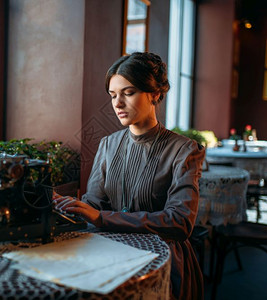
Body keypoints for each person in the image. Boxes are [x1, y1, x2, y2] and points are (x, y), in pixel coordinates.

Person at [53, 52, 205, 300]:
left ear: (155, 94)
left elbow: (180, 223)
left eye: (128, 92)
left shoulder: (185, 150)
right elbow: (94, 204)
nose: (117, 103)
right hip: (106, 252)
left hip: (160, 260)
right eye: (113, 95)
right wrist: (68, 206)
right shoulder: (107, 144)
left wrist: (101, 217)